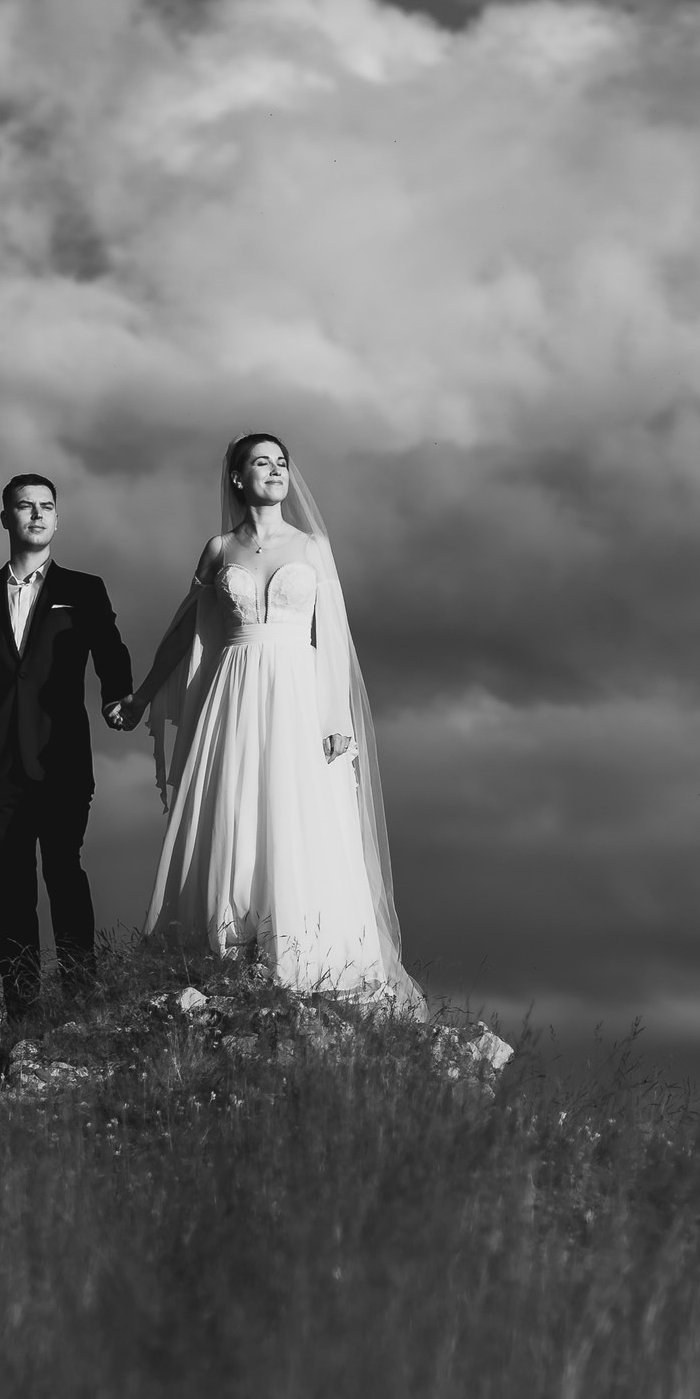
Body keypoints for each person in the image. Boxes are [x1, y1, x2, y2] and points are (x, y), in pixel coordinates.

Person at [119, 434, 423, 1014]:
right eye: (263, 462)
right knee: (235, 803)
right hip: (234, 690)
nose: (277, 470)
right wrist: (142, 696)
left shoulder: (311, 547)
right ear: (238, 478)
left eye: (282, 462)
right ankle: (230, 938)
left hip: (297, 692)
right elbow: (184, 632)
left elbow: (333, 636)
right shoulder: (219, 549)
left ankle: (306, 948)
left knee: (296, 805)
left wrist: (335, 715)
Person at [0, 474, 133, 1018]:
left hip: (61, 760)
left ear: (57, 517)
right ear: (5, 518)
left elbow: (110, 649)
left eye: (46, 506)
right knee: (9, 890)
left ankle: (81, 999)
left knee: (64, 873)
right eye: (25, 506)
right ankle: (21, 1013)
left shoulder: (84, 589)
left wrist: (117, 694)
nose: (36, 514)